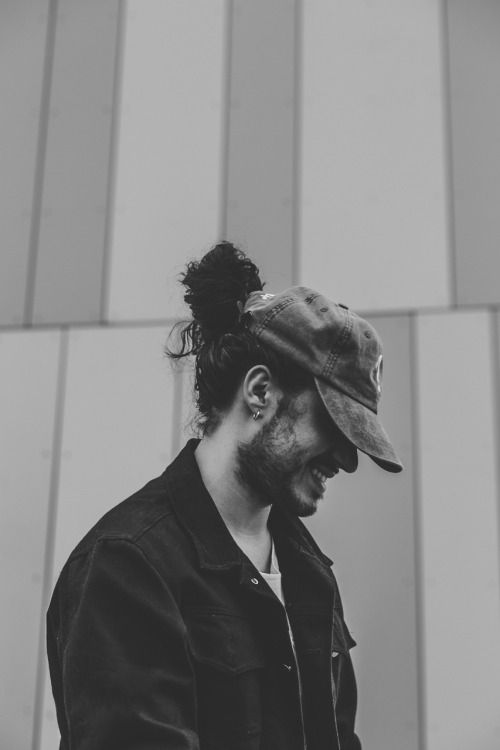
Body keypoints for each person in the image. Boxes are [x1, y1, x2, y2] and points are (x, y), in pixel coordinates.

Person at [47, 242, 402, 750]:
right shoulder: (128, 565)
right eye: (334, 425)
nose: (347, 461)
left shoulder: (308, 570)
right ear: (260, 392)